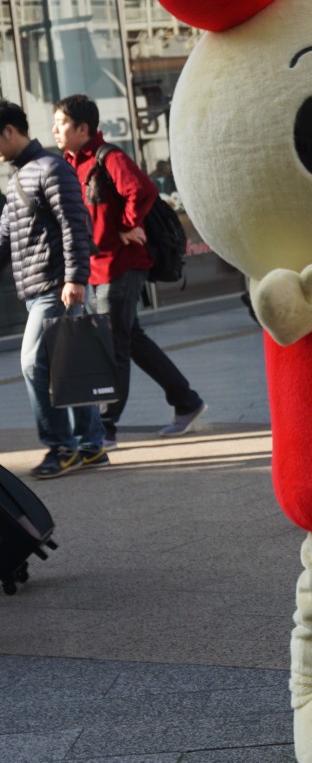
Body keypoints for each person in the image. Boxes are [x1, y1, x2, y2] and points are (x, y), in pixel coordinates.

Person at [52, 94, 207, 446]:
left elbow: (142, 190)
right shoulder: (70, 162)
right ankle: (187, 401)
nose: (55, 130)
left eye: (61, 124)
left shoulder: (109, 157)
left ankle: (105, 427)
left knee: (113, 345)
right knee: (130, 339)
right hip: (98, 268)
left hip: (122, 265)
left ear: (82, 128)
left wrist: (124, 225)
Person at [0, 100, 109, 478]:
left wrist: (76, 278)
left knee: (34, 362)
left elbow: (74, 224)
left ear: (10, 132)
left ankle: (62, 447)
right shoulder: (18, 177)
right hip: (37, 289)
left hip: (55, 286)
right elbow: (5, 237)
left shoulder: (51, 168)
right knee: (69, 365)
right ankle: (92, 446)